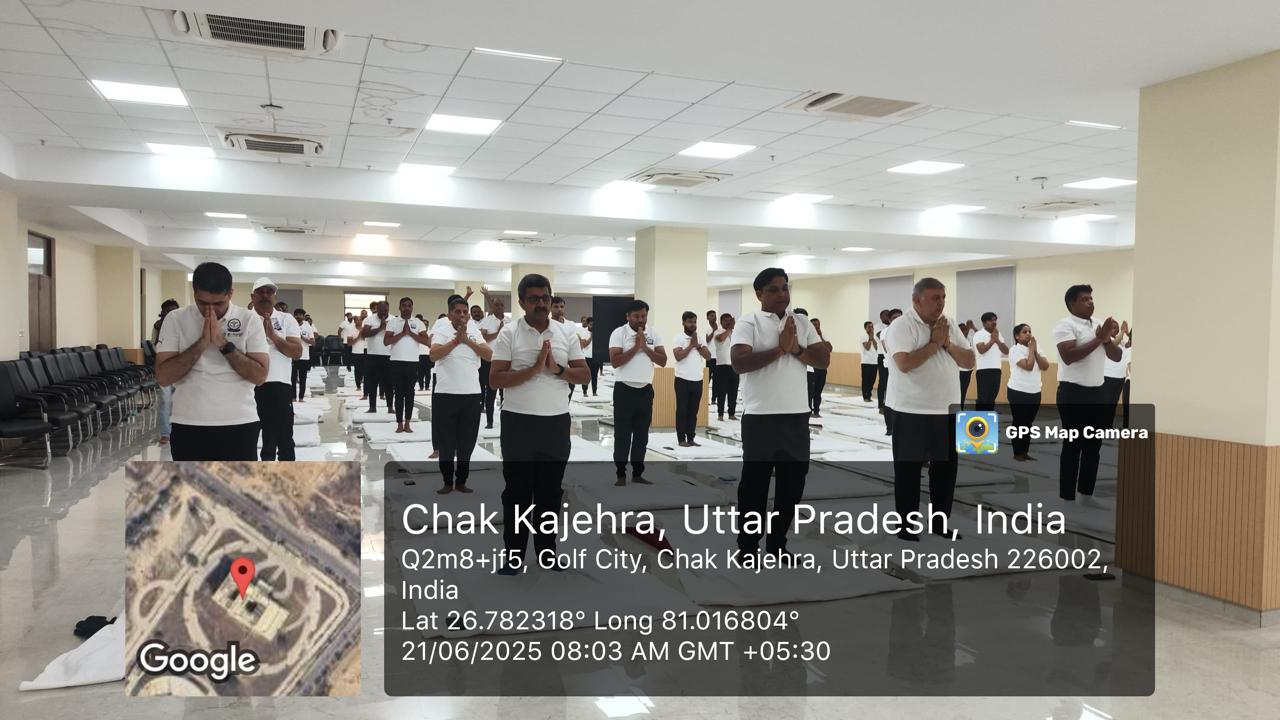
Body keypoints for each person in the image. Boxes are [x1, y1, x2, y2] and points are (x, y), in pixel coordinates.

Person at [489, 274, 589, 574]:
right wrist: (533, 369)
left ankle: (547, 553)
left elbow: (584, 374)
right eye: (534, 299)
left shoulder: (566, 332)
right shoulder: (509, 333)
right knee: (517, 493)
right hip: (518, 424)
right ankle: (514, 556)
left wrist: (556, 369)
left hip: (555, 424)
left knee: (550, 493)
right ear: (522, 302)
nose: (541, 304)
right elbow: (495, 379)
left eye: (545, 298)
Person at [731, 268, 830, 558]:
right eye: (773, 289)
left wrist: (795, 349)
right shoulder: (749, 321)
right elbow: (739, 362)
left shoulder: (800, 322)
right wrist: (779, 350)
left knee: (792, 485)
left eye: (784, 288)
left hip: (796, 417)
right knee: (755, 487)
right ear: (759, 294)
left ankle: (777, 544)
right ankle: (748, 547)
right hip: (760, 417)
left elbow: (823, 359)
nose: (781, 294)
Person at [883, 278, 974, 542]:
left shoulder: (949, 323)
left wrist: (947, 344)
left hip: (949, 409)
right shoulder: (901, 326)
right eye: (935, 298)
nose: (941, 303)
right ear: (917, 300)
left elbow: (969, 361)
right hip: (911, 409)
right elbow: (904, 364)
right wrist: (934, 343)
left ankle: (940, 523)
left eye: (943, 297)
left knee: (946, 471)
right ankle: (906, 525)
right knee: (909, 471)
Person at [155, 262, 268, 461]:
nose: (210, 310)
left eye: (218, 304)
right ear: (194, 294)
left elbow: (259, 376)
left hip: (239, 422)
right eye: (203, 303)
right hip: (188, 423)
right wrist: (201, 343)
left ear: (230, 294)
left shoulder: (249, 320)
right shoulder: (175, 319)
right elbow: (163, 377)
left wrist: (223, 344)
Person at [1053, 284, 1122, 502]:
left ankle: (1086, 494)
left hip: (1097, 393)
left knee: (1093, 446)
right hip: (1072, 393)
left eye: (1091, 298)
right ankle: (1067, 496)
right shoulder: (1065, 325)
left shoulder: (1099, 324)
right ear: (1072, 303)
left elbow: (1117, 356)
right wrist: (1098, 339)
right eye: (1085, 299)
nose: (1090, 302)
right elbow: (1069, 357)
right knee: (1073, 445)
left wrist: (1106, 339)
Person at [430, 294, 491, 493]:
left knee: (467, 441)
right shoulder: (442, 331)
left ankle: (462, 480)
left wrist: (467, 340)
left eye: (465, 312)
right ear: (450, 315)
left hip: (471, 394)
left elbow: (489, 355)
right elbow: (433, 355)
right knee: (446, 441)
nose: (462, 315)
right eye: (458, 312)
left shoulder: (474, 331)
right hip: (446, 394)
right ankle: (447, 482)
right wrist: (457, 341)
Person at [609, 300, 667, 484]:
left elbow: (663, 361)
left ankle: (637, 473)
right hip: (624, 390)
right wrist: (636, 347)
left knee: (642, 436)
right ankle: (620, 474)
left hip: (645, 390)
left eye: (643, 315)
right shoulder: (619, 333)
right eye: (636, 316)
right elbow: (615, 361)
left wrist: (645, 348)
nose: (641, 319)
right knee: (623, 435)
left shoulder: (654, 333)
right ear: (628, 316)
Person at [250, 279, 302, 461]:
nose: (265, 295)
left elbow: (296, 352)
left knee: (284, 438)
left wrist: (272, 336)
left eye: (269, 292)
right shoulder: (245, 319)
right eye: (260, 292)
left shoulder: (286, 319)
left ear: (275, 297)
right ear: (252, 297)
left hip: (280, 386)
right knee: (250, 438)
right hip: (250, 386)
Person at [385, 297, 431, 433]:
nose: (406, 308)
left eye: (409, 305)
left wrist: (410, 333)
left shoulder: (418, 323)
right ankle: (399, 423)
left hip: (412, 363)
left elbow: (426, 341)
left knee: (410, 394)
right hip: (396, 362)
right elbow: (386, 341)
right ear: (399, 307)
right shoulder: (393, 322)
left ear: (412, 307)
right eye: (404, 305)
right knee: (399, 393)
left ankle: (407, 423)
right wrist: (402, 334)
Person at [1006, 323, 1050, 462]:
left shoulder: (1036, 348)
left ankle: (1025, 451)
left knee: (1028, 423)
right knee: (1019, 422)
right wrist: (1031, 350)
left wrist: (1035, 351)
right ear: (1017, 336)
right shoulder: (1014, 350)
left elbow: (1045, 366)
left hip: (1035, 391)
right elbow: (1028, 366)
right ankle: (1017, 452)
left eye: (1030, 331)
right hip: (1018, 391)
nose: (1028, 334)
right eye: (1024, 332)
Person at [672, 311, 710, 447]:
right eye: (689, 322)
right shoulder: (679, 338)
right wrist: (691, 346)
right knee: (682, 411)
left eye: (694, 322)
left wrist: (698, 345)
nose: (693, 324)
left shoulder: (700, 338)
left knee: (693, 411)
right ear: (683, 323)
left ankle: (691, 438)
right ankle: (681, 439)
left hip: (697, 380)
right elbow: (678, 356)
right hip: (682, 379)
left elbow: (708, 356)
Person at [478, 287, 509, 429]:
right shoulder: (487, 321)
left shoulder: (509, 321)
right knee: (490, 392)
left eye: (501, 305)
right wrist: (498, 332)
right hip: (489, 361)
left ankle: (506, 420)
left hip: (506, 361)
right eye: (497, 305)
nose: (499, 307)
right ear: (493, 306)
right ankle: (489, 421)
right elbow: (483, 338)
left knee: (507, 392)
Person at [152, 298, 180, 445]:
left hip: (181, 369)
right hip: (164, 369)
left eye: (173, 311)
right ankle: (165, 433)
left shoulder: (184, 324)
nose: (171, 314)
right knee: (165, 401)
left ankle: (179, 431)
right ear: (162, 313)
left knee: (180, 402)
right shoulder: (157, 327)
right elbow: (155, 347)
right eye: (167, 312)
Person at [361, 300, 393, 414]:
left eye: (385, 310)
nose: (383, 312)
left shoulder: (394, 320)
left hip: (389, 356)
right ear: (377, 309)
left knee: (389, 383)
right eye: (381, 310)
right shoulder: (369, 319)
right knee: (372, 383)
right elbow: (364, 334)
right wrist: (380, 328)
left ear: (388, 309)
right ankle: (372, 407)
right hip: (372, 355)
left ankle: (390, 407)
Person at [971, 312, 1007, 411]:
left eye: (995, 320)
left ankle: (988, 418)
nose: (994, 322)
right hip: (984, 371)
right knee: (983, 399)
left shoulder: (998, 334)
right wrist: (992, 340)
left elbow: (1006, 351)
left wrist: (997, 340)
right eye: (991, 320)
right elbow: (981, 350)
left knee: (991, 398)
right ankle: (980, 418)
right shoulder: (979, 334)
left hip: (996, 370)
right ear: (984, 323)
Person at [1103, 323, 1133, 428]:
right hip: (1108, 377)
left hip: (1120, 378)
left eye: (1117, 327)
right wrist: (1122, 331)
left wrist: (1128, 333)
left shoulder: (1121, 341)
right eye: (1113, 328)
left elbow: (1131, 344)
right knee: (1106, 404)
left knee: (1113, 404)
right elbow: (1113, 345)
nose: (1116, 330)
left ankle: (1108, 426)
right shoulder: (1107, 341)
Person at [880, 308, 903, 435]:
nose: (898, 320)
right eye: (894, 318)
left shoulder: (906, 330)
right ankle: (889, 428)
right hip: (891, 368)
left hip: (904, 369)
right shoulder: (885, 332)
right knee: (890, 399)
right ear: (889, 320)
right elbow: (888, 348)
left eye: (900, 317)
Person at [712, 314, 738, 421]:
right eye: (726, 320)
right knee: (721, 391)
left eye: (730, 320)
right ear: (721, 321)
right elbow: (721, 339)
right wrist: (730, 329)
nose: (728, 322)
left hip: (734, 366)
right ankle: (720, 414)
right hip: (722, 366)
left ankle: (732, 413)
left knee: (733, 391)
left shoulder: (734, 333)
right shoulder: (718, 332)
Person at [807, 316, 833, 417]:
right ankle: (809, 411)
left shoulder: (823, 336)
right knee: (810, 392)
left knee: (818, 392)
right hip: (812, 368)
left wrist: (820, 336)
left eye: (818, 325)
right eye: (814, 325)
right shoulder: (808, 336)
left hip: (822, 368)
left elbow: (829, 348)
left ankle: (816, 411)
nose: (817, 327)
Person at [292, 307, 315, 402]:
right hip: (293, 356)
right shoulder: (291, 325)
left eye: (300, 315)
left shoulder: (307, 326)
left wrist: (302, 338)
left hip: (304, 356)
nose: (298, 316)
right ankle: (293, 397)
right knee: (292, 378)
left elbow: (313, 342)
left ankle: (301, 397)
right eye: (297, 315)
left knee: (303, 378)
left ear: (303, 316)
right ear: (294, 316)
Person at [957, 319, 976, 408]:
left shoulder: (970, 338)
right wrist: (968, 328)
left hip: (968, 371)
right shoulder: (956, 339)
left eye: (965, 329)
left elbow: (980, 336)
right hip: (959, 371)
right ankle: (957, 409)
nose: (964, 331)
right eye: (962, 330)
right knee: (958, 391)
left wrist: (973, 328)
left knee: (963, 391)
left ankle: (960, 408)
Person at [580, 317, 600, 396]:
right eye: (591, 324)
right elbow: (584, 345)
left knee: (595, 375)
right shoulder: (584, 332)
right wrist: (591, 337)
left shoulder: (598, 332)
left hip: (596, 357)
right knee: (586, 375)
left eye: (594, 325)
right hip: (587, 357)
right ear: (587, 324)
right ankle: (584, 391)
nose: (593, 326)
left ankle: (594, 392)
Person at [860, 320, 879, 403]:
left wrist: (873, 338)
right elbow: (867, 347)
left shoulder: (875, 337)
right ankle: (865, 396)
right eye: (869, 327)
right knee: (866, 380)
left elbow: (876, 347)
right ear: (865, 328)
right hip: (866, 362)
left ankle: (869, 395)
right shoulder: (863, 337)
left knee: (872, 379)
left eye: (872, 327)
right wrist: (870, 338)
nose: (871, 328)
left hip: (874, 361)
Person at [349, 309, 368, 393]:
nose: (359, 321)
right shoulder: (351, 330)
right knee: (357, 370)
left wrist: (363, 334)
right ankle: (358, 385)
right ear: (355, 321)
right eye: (357, 320)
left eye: (360, 320)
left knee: (365, 370)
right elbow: (349, 343)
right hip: (356, 352)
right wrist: (358, 336)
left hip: (365, 351)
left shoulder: (365, 329)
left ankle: (365, 384)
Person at [415, 313, 433, 391]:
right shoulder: (418, 333)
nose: (425, 325)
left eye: (426, 324)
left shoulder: (431, 333)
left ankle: (427, 386)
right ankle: (421, 386)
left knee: (427, 372)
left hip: (428, 355)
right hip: (420, 355)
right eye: (424, 324)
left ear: (428, 325)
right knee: (420, 372)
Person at [705, 309, 719, 401]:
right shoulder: (706, 328)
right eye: (712, 316)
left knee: (716, 380)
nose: (714, 317)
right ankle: (704, 398)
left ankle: (714, 398)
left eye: (715, 315)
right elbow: (707, 340)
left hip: (718, 358)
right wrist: (714, 330)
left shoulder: (720, 327)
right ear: (707, 317)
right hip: (709, 358)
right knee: (707, 379)